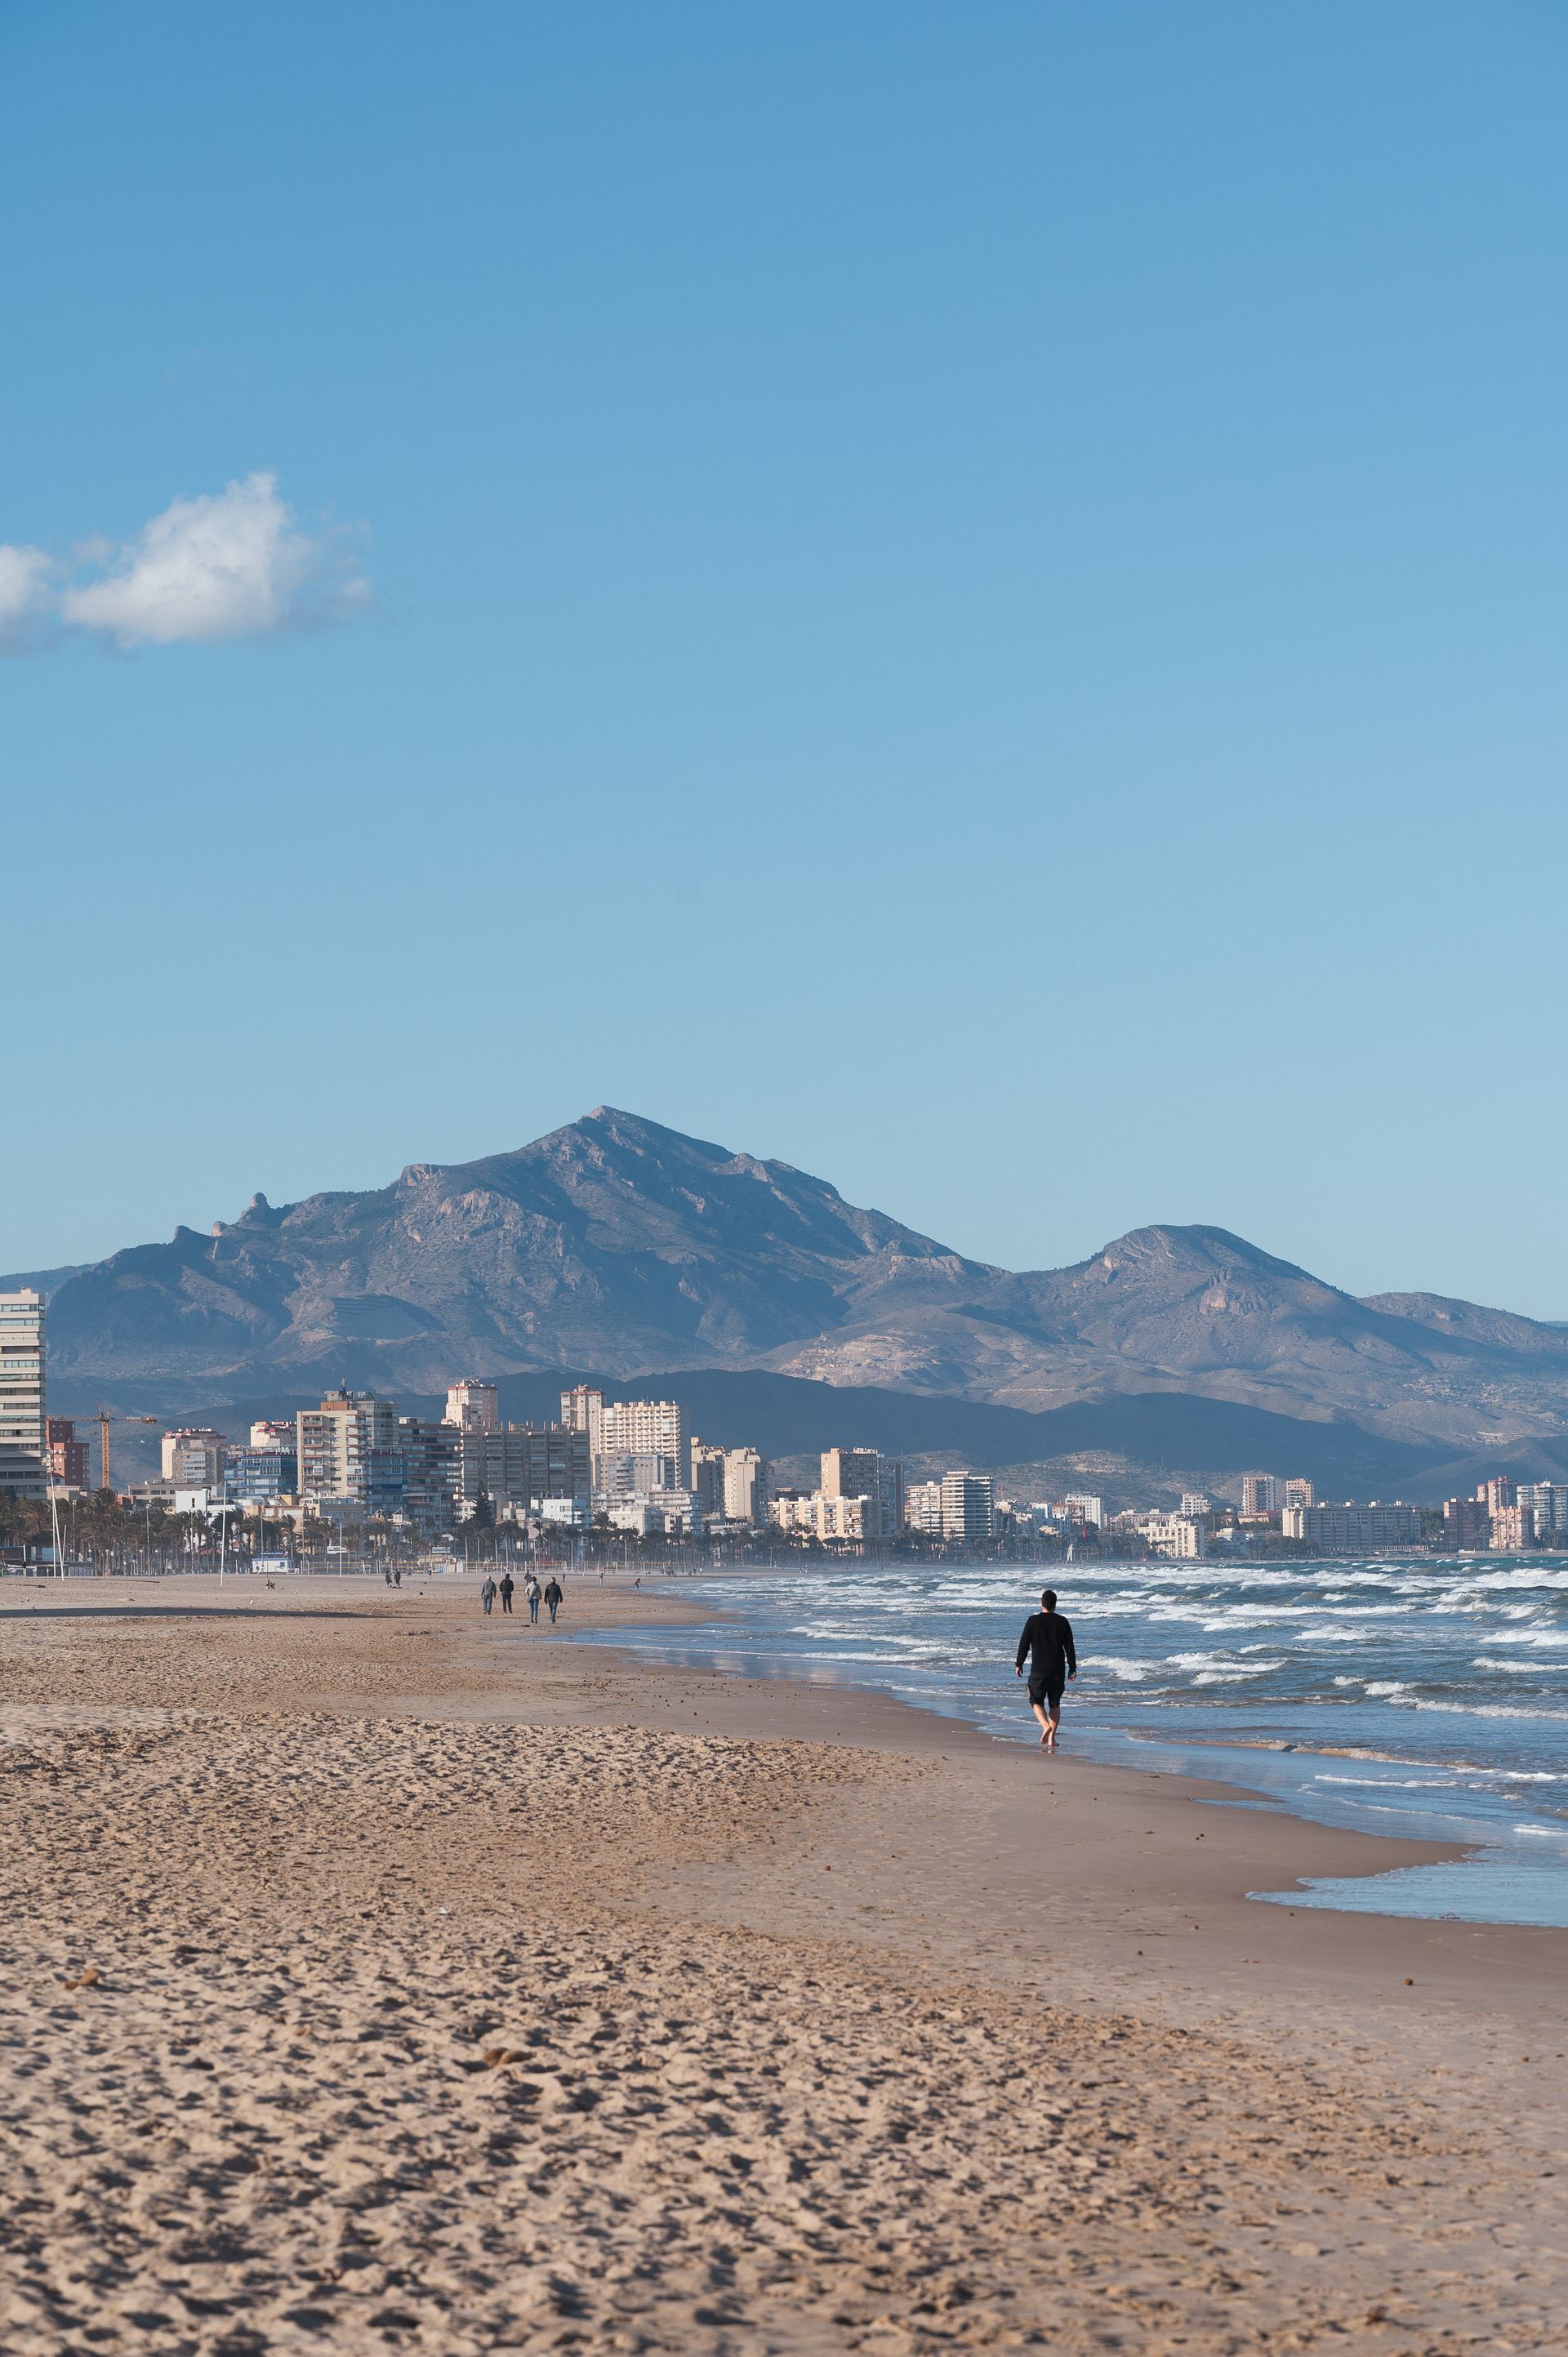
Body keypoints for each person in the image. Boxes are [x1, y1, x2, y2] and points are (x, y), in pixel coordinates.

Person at [1014, 1588, 1077, 1751]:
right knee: (1055, 1704)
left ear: (1042, 1603)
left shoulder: (1032, 1621)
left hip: (1038, 1670)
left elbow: (1024, 1644)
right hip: (1057, 1670)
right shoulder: (1062, 1621)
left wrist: (1019, 1663)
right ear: (1055, 1605)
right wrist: (1072, 1668)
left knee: (1035, 1700)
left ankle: (1044, 1726)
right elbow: (1069, 1647)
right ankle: (1051, 1739)